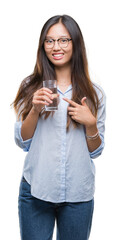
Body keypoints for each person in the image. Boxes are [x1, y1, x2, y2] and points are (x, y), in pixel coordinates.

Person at [13, 15, 106, 240]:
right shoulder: (30, 86)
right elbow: (22, 142)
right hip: (36, 189)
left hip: (78, 194)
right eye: (49, 41)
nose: (56, 47)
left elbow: (95, 151)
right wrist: (35, 109)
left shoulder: (95, 93)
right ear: (43, 46)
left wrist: (91, 123)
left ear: (75, 43)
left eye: (64, 40)